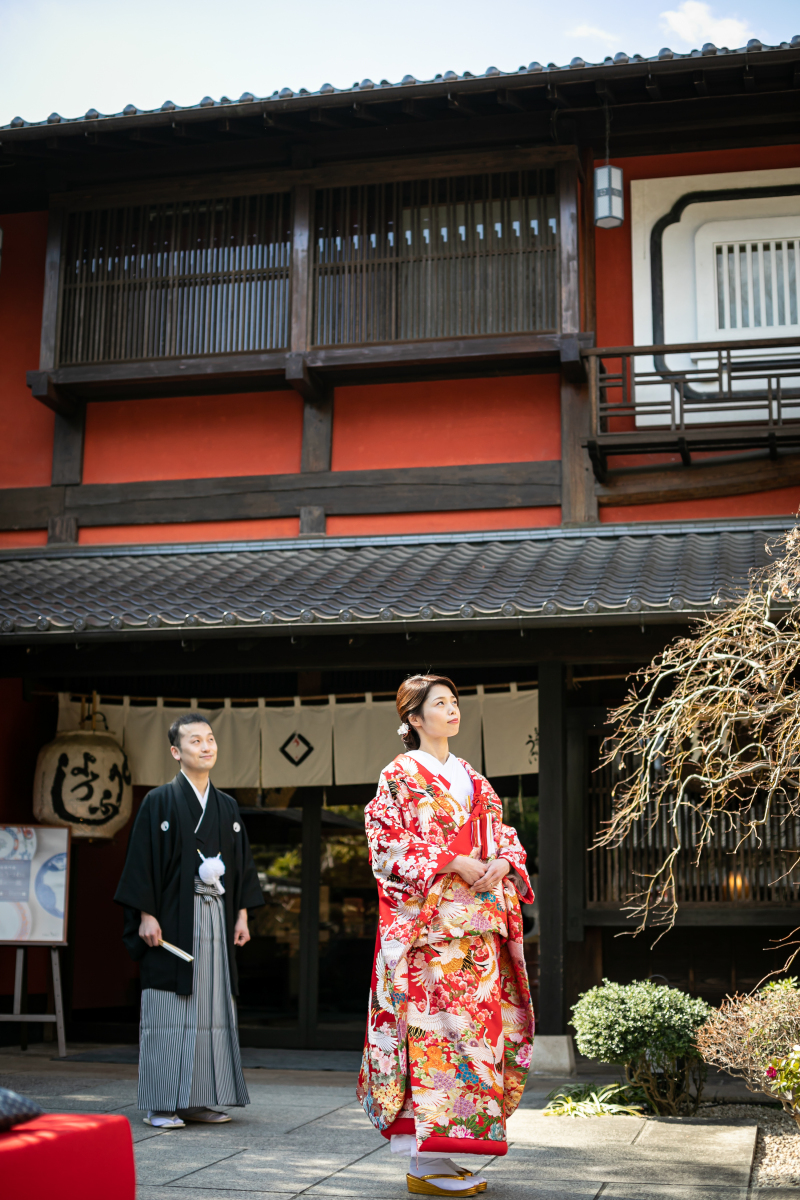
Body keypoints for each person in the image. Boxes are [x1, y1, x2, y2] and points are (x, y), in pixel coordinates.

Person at [357, 675, 535, 1197]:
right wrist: (451, 858)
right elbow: (386, 845)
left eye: (455, 702)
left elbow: (505, 834)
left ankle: (450, 1154)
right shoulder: (399, 776)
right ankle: (426, 1161)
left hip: (476, 934)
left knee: (476, 1043)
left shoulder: (473, 778)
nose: (452, 710)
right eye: (439, 704)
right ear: (413, 719)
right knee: (432, 1039)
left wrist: (503, 862)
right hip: (428, 935)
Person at [115, 712, 264, 1129]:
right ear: (176, 752)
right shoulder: (159, 801)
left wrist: (242, 915)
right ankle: (161, 1103)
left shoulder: (227, 806)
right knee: (168, 1007)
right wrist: (145, 913)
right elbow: (141, 861)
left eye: (210, 739)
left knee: (212, 1007)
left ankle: (198, 1099)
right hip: (171, 920)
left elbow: (241, 867)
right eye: (195, 741)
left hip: (215, 917)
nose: (206, 746)